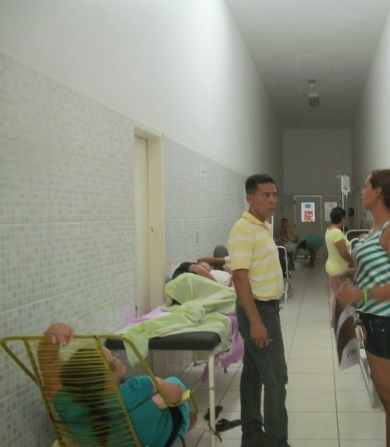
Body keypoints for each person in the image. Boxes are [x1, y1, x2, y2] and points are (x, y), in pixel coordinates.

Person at [336, 169, 390, 447]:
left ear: (378, 191)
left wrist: (361, 294)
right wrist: (349, 273)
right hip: (376, 322)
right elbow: (378, 271)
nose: (361, 191)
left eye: (365, 186)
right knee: (388, 405)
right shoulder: (375, 230)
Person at [40, 322, 193, 447]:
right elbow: (177, 395)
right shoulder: (140, 388)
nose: (118, 356)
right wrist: (156, 382)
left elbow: (48, 360)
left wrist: (52, 333)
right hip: (156, 439)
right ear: (106, 376)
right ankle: (188, 422)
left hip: (97, 441)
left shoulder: (64, 402)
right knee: (173, 384)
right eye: (114, 356)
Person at [227, 174, 289, 447]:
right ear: (250, 198)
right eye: (266, 195)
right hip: (258, 311)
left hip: (267, 309)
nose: (272, 200)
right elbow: (240, 278)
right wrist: (255, 322)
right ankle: (276, 442)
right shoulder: (243, 229)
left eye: (274, 194)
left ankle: (252, 438)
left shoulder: (262, 226)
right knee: (276, 378)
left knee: (253, 376)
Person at [325, 206, 353, 319]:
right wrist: (353, 261)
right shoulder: (337, 233)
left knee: (335, 292)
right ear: (342, 218)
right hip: (338, 269)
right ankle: (337, 317)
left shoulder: (330, 229)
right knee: (337, 294)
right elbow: (344, 254)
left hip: (333, 266)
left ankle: (336, 317)